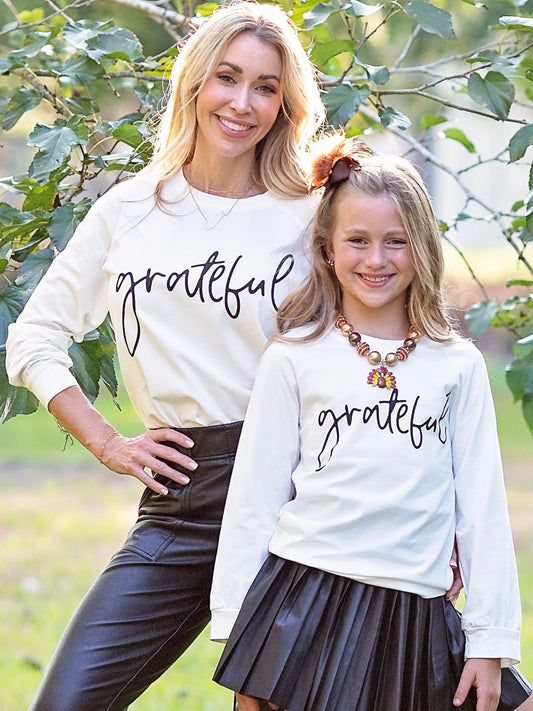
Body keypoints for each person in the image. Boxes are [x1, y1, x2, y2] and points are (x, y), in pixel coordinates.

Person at [5, 2, 326, 709]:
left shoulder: (310, 213)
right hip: (183, 500)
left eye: (266, 87)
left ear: (285, 103)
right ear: (193, 83)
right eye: (227, 77)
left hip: (301, 494)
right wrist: (108, 443)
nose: (242, 103)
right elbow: (33, 336)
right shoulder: (132, 210)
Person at [209, 136, 533, 711]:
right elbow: (254, 501)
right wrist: (242, 636)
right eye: (357, 240)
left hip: (416, 609)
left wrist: (491, 638)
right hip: (302, 605)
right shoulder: (295, 356)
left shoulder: (457, 365)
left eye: (396, 242)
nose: (376, 259)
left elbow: (481, 509)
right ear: (328, 249)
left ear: (423, 249)